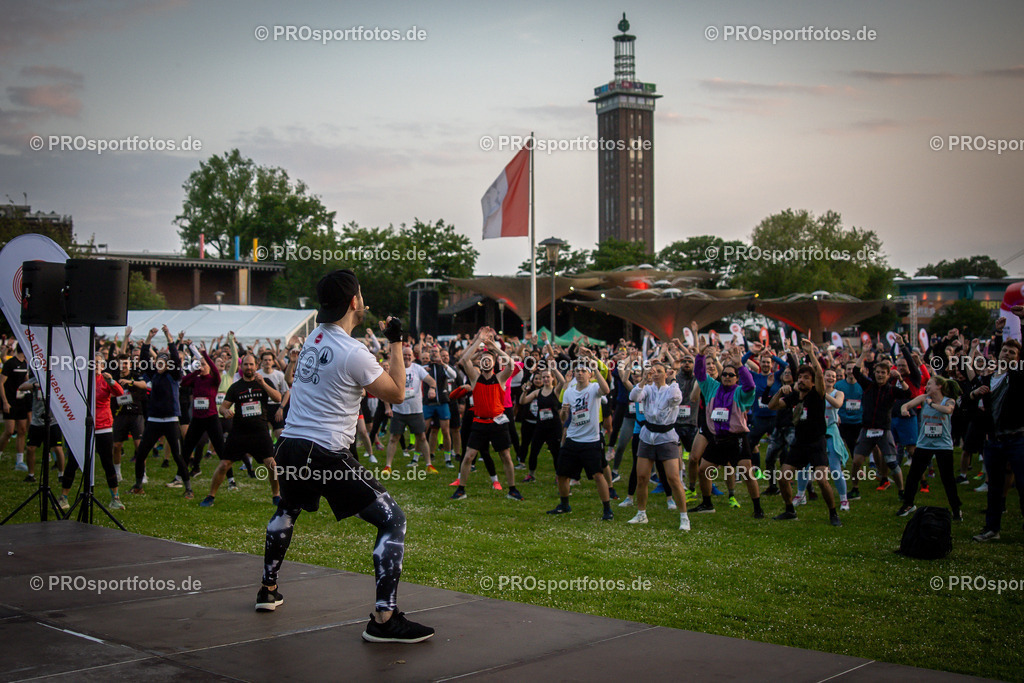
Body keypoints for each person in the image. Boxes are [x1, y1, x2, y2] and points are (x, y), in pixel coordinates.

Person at [258, 268, 434, 643]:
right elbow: (398, 393)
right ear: (355, 302)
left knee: (287, 509)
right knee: (393, 521)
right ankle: (385, 619)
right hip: (323, 453)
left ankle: (268, 589)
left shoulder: (312, 339)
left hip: (290, 446)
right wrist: (397, 342)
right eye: (361, 293)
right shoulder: (353, 352)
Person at [691, 324, 764, 518]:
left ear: (736, 378)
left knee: (747, 472)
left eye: (731, 375)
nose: (727, 377)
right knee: (704, 470)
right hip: (717, 439)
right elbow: (699, 374)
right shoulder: (712, 387)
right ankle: (707, 503)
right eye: (725, 374)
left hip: (737, 439)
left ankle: (757, 508)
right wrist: (700, 355)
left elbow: (750, 386)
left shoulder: (740, 392)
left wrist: (740, 365)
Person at [769, 339, 842, 527]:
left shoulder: (817, 394)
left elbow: (818, 373)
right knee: (783, 477)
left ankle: (833, 513)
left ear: (812, 382)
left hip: (817, 442)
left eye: (805, 378)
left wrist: (811, 354)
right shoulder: (794, 396)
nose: (802, 380)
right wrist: (779, 392)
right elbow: (772, 406)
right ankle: (789, 510)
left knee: (821, 480)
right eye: (800, 377)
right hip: (799, 443)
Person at [971, 305, 1024, 542]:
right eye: (1005, 351)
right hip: (993, 442)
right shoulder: (989, 379)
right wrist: (999, 334)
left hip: (1017, 439)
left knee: (1022, 486)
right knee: (994, 488)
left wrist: (1022, 321)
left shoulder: (1018, 377)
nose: (1007, 355)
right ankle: (992, 529)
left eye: (1013, 353)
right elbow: (994, 354)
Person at [450, 328, 523, 501]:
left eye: (488, 359)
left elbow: (511, 365)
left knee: (505, 456)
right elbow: (464, 360)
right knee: (468, 456)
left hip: (498, 423)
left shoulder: (500, 378)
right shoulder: (475, 378)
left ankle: (512, 489)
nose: (485, 361)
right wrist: (479, 340)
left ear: (494, 362)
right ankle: (461, 489)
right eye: (483, 359)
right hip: (480, 423)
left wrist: (494, 347)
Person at [200, 353, 281, 506]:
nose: (249, 367)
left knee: (272, 464)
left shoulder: (265, 381)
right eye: (246, 365)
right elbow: (223, 407)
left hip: (260, 431)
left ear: (256, 366)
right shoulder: (236, 387)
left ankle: (276, 495)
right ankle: (210, 496)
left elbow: (278, 398)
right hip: (239, 432)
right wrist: (225, 411)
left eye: (251, 364)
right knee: (224, 464)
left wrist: (263, 384)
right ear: (241, 367)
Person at [129, 325, 192, 498]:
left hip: (171, 420)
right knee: (141, 454)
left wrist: (168, 336)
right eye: (157, 362)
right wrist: (149, 338)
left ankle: (188, 488)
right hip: (154, 420)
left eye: (162, 363)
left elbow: (176, 359)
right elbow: (143, 358)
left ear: (168, 364)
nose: (159, 365)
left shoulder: (174, 375)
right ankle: (138, 485)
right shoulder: (153, 374)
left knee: (178, 456)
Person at [548, 354, 614, 520]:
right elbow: (565, 418)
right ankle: (564, 505)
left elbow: (606, 390)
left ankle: (607, 509)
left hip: (591, 441)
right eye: (577, 371)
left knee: (598, 475)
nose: (580, 373)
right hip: (572, 439)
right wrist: (563, 414)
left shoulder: (593, 389)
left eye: (584, 371)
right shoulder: (569, 391)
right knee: (562, 474)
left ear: (589, 374)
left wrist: (596, 369)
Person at [626, 360, 691, 530]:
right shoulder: (647, 389)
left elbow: (677, 398)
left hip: (667, 436)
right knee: (642, 477)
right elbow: (633, 397)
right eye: (653, 371)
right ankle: (641, 513)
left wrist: (673, 379)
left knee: (673, 478)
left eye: (659, 371)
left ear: (665, 373)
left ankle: (684, 516)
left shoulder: (671, 389)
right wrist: (643, 381)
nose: (655, 374)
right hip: (647, 435)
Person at [60, 351, 125, 511]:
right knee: (74, 462)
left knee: (107, 462)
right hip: (84, 426)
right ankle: (64, 497)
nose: (96, 365)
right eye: (93, 362)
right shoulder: (83, 380)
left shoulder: (105, 380)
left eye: (98, 362)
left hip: (103, 426)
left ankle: (115, 498)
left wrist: (111, 381)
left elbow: (120, 393)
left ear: (103, 366)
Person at [897, 375, 962, 519]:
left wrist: (931, 404)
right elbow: (906, 404)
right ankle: (908, 504)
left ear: (939, 386)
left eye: (930, 384)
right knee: (914, 475)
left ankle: (956, 509)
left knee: (948, 479)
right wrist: (904, 409)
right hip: (924, 444)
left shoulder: (948, 400)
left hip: (943, 446)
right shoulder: (923, 398)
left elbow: (948, 410)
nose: (927, 387)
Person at [384, 346, 438, 473]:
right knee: (393, 438)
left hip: (416, 411)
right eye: (405, 355)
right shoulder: (395, 369)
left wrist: (432, 389)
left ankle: (429, 465)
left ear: (413, 356)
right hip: (399, 410)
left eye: (409, 355)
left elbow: (432, 381)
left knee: (422, 437)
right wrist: (387, 407)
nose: (407, 357)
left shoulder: (417, 369)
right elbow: (386, 388)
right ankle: (388, 466)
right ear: (400, 356)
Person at [0, 343, 30, 472]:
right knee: (9, 431)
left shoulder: (26, 364)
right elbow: (1, 383)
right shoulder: (10, 363)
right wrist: (5, 402)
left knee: (22, 430)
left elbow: (26, 380)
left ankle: (19, 460)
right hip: (10, 401)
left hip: (21, 401)